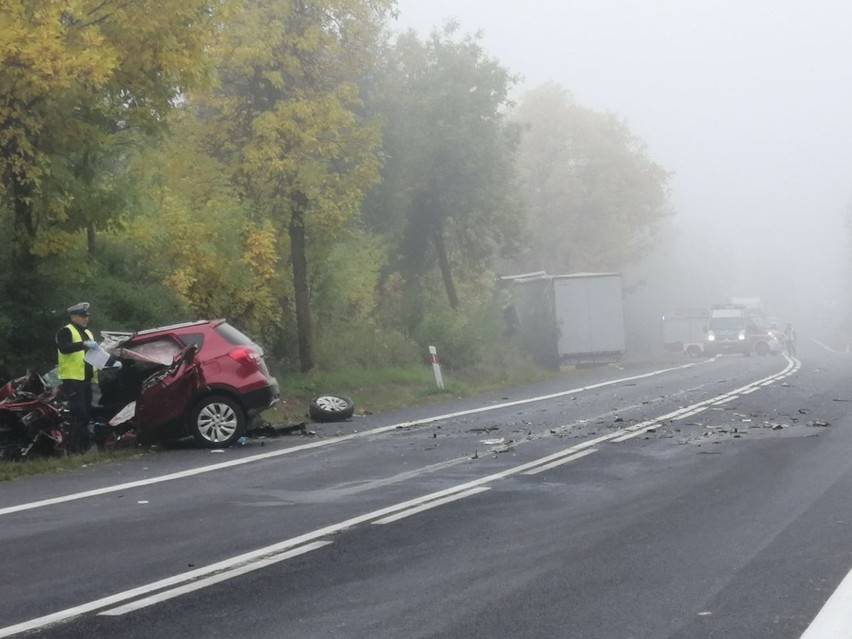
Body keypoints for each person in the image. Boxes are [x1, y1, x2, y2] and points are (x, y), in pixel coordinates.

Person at [55, 302, 120, 453]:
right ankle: (74, 449)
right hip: (72, 379)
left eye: (86, 316)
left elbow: (97, 354)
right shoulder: (66, 331)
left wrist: (111, 362)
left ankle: (83, 447)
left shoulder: (88, 333)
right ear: (73, 317)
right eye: (83, 316)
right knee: (79, 414)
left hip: (87, 379)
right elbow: (64, 349)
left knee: (87, 413)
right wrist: (83, 344)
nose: (86, 319)